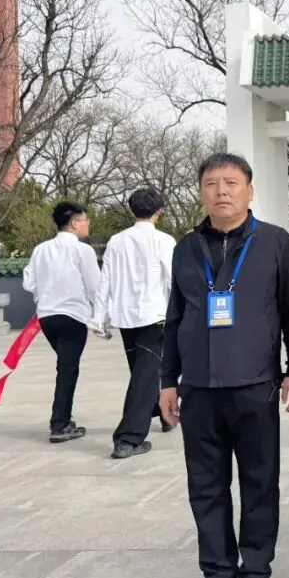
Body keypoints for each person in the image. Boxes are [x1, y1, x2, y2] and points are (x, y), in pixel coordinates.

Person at [159, 153, 289, 578]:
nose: (221, 191)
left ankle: (256, 573)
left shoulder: (275, 243)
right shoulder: (185, 248)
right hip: (199, 387)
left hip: (255, 384)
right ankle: (218, 573)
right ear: (201, 192)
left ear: (249, 191)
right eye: (212, 183)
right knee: (205, 484)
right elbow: (175, 317)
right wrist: (168, 381)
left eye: (231, 182)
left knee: (259, 482)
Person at [92, 188, 177, 459]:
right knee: (145, 373)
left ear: (132, 209)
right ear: (159, 211)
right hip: (155, 316)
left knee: (143, 371)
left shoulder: (116, 241)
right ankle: (128, 439)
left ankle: (160, 412)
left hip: (126, 317)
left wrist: (98, 317)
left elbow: (105, 280)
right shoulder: (163, 241)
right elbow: (172, 280)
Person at [23, 201, 101, 444]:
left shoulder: (41, 249)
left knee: (65, 366)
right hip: (72, 316)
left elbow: (28, 283)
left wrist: (46, 293)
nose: (87, 224)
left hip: (47, 317)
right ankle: (60, 424)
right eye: (85, 220)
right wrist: (99, 317)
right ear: (74, 223)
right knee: (68, 369)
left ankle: (63, 419)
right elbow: (95, 287)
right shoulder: (82, 251)